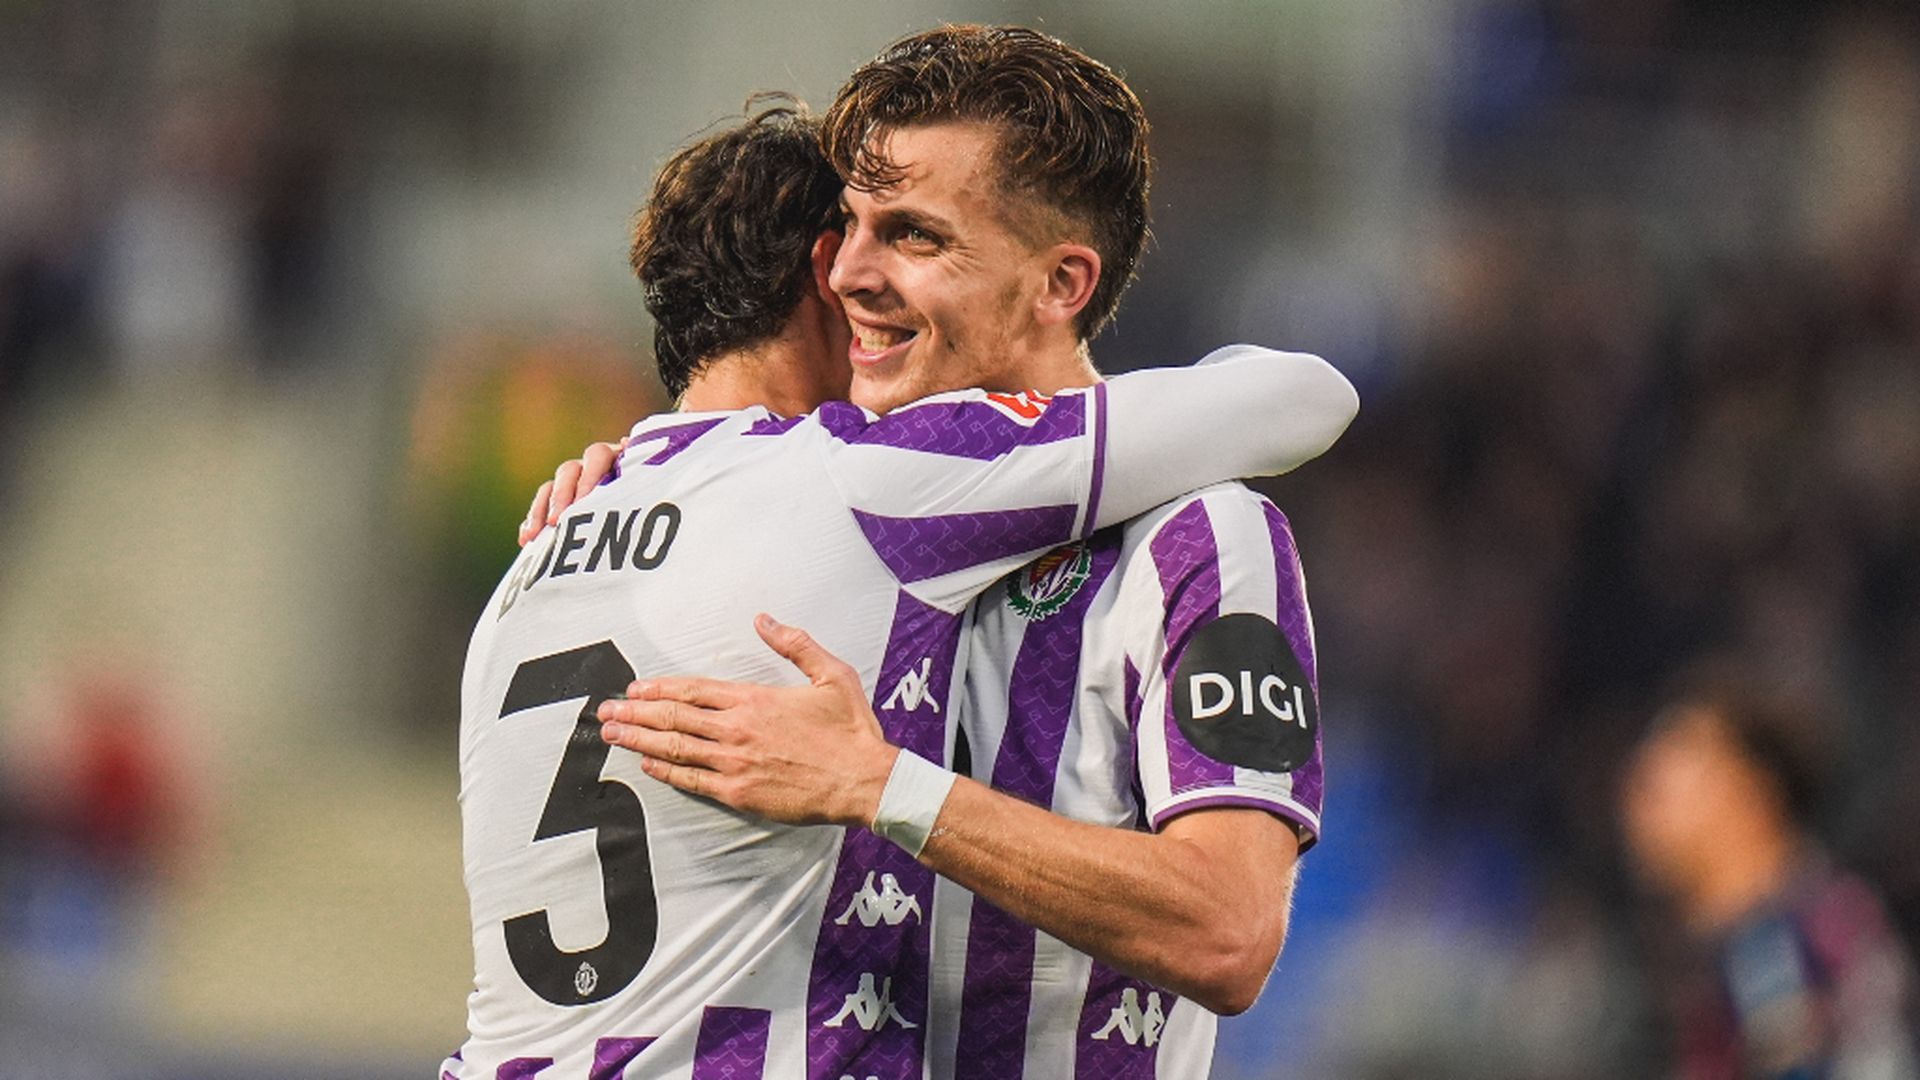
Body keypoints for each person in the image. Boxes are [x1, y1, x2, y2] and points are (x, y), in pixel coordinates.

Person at [448, 96, 1357, 1080]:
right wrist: (885, 784)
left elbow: (1223, 927)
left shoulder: (536, 561)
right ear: (824, 275)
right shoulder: (861, 479)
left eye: (912, 237)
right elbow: (1301, 396)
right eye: (861, 239)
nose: (871, 279)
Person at [1620, 665, 1919, 1079]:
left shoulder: (1782, 950)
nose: (1637, 805)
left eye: (1660, 786)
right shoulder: (1726, 950)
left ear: (1752, 789)